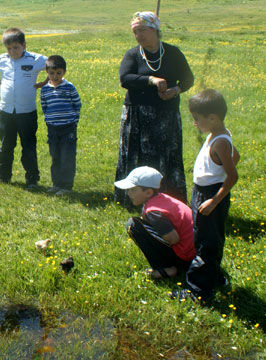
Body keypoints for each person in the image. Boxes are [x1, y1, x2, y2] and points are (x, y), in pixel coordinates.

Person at [114, 11, 194, 207]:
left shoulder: (172, 53)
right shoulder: (133, 54)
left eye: (142, 30)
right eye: (135, 32)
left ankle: (168, 197)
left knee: (166, 154)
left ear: (155, 29)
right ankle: (133, 198)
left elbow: (188, 78)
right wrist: (151, 80)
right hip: (138, 116)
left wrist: (176, 90)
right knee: (137, 154)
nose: (138, 35)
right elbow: (125, 79)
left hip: (166, 115)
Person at [171, 89, 240, 301]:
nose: (194, 123)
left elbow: (233, 176)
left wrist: (213, 200)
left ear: (213, 118)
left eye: (197, 119)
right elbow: (235, 156)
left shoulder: (219, 141)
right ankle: (215, 276)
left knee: (206, 242)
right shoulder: (219, 134)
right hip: (203, 192)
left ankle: (198, 291)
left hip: (210, 195)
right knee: (204, 237)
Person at [0, 28, 47, 190]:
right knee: (5, 146)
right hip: (6, 111)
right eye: (9, 48)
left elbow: (53, 63)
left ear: (24, 45)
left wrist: (45, 82)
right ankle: (3, 176)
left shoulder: (35, 59)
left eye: (16, 47)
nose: (12, 51)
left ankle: (32, 179)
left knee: (28, 146)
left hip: (26, 112)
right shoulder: (2, 59)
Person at [115, 166, 196, 280]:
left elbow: (173, 239)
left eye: (133, 190)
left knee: (133, 225)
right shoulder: (162, 198)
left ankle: (166, 268)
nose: (129, 193)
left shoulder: (153, 212)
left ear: (148, 192)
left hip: (185, 257)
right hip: (195, 254)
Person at [40, 55, 81, 196]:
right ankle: (56, 184)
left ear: (64, 72)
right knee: (55, 156)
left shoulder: (69, 87)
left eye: (59, 73)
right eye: (51, 73)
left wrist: (74, 119)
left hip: (68, 127)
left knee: (67, 157)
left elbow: (77, 104)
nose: (55, 76)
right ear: (47, 73)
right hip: (52, 128)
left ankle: (66, 186)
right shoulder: (45, 89)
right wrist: (50, 119)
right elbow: (44, 106)